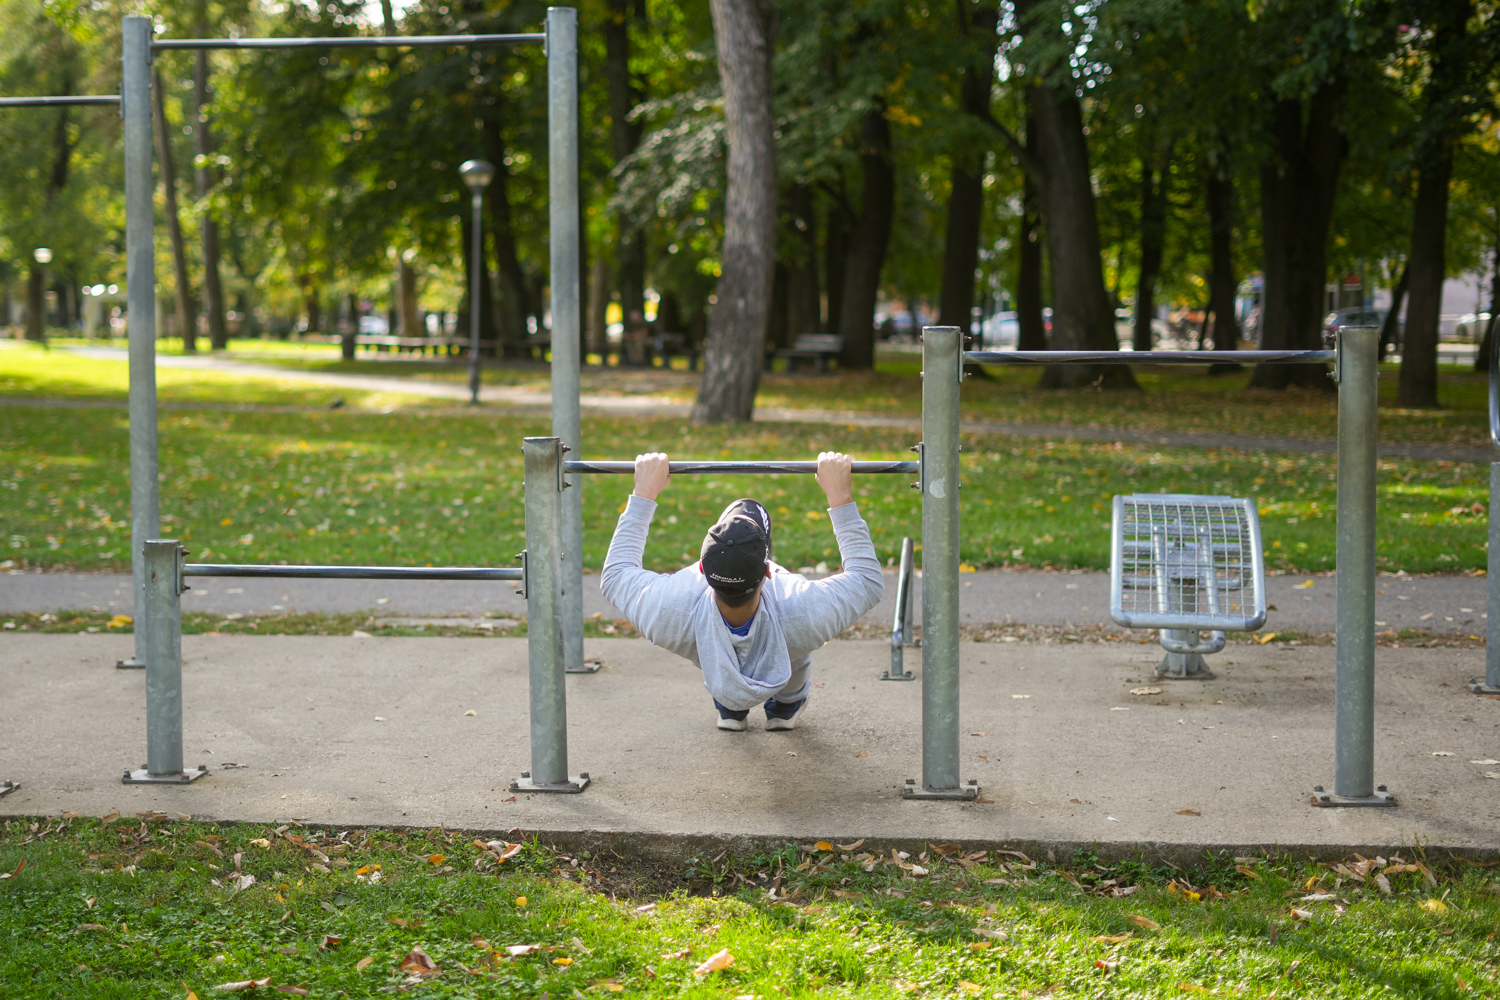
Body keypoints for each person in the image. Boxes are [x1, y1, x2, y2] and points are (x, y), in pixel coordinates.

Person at [600, 452, 884, 731]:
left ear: (701, 569)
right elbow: (867, 581)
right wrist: (840, 497)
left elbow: (615, 575)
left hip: (700, 639)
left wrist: (643, 493)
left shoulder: (670, 610)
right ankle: (786, 707)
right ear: (769, 571)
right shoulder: (802, 609)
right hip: (791, 628)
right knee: (794, 640)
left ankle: (730, 704)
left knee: (717, 640)